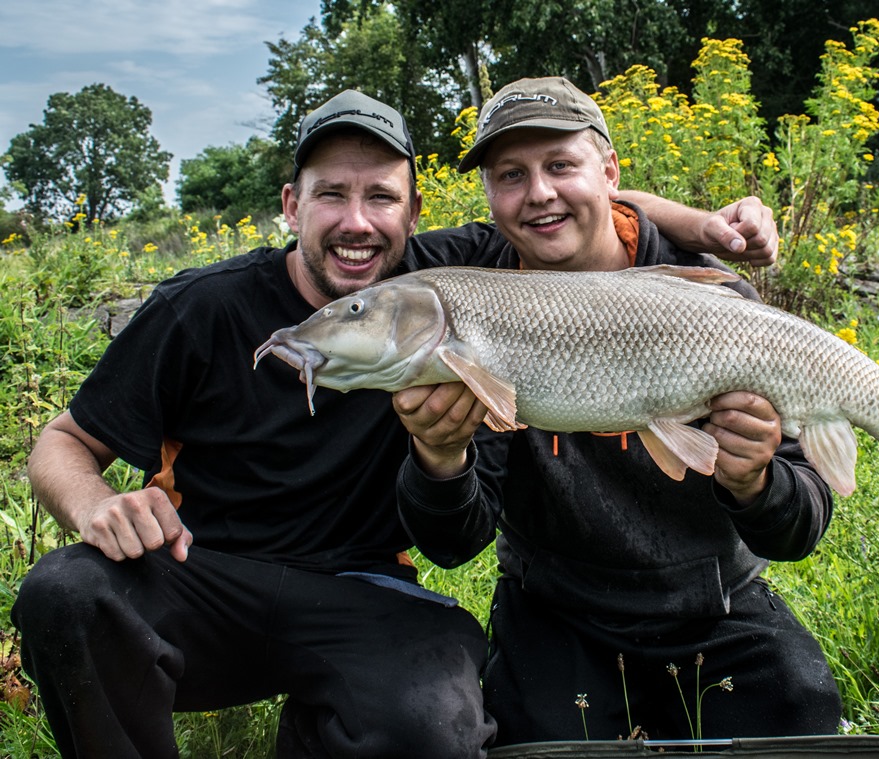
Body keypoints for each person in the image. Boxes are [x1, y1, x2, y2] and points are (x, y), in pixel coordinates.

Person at [11, 85, 777, 758]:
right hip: (202, 576)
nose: (357, 223)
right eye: (331, 195)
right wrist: (94, 504)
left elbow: (566, 199)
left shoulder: (435, 282)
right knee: (66, 593)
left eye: (380, 197)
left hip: (363, 587)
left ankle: (320, 731)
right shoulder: (202, 307)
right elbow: (62, 443)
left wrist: (707, 228)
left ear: (412, 213)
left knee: (432, 723)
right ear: (291, 205)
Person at [394, 76, 843, 746]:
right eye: (510, 175)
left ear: (609, 172)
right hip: (554, 611)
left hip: (712, 605)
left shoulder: (711, 293)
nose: (539, 193)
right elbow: (454, 542)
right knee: (534, 744)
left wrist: (756, 482)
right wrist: (438, 459)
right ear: (489, 195)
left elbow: (801, 525)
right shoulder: (470, 304)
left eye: (561, 165)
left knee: (802, 714)